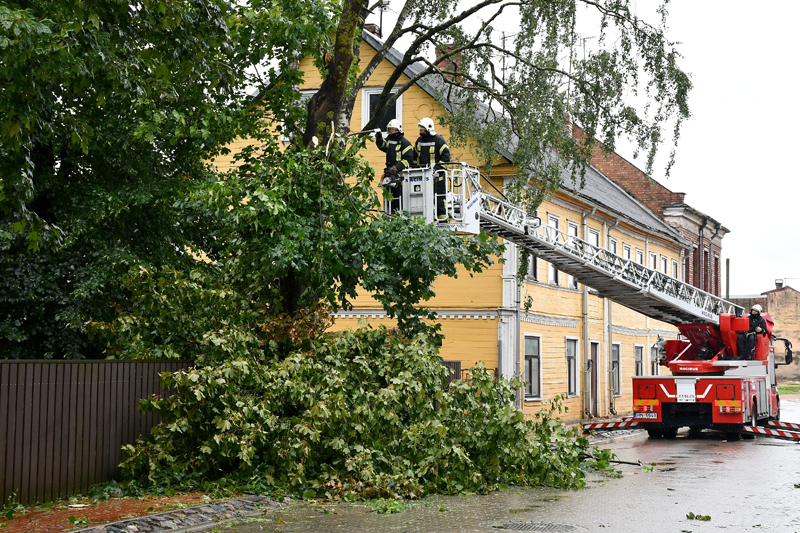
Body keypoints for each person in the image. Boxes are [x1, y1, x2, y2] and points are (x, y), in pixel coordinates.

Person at [414, 117, 451, 220]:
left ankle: (443, 221)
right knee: (424, 201)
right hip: (424, 179)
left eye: (422, 128)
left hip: (437, 178)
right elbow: (415, 157)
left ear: (428, 128)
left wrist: (437, 169)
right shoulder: (419, 141)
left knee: (439, 201)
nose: (420, 130)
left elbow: (446, 158)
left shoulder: (439, 140)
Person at [375, 119, 414, 213]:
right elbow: (383, 146)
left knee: (398, 198)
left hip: (400, 177)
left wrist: (396, 167)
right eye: (389, 129)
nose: (390, 131)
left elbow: (408, 160)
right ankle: (391, 214)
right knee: (389, 197)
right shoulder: (389, 139)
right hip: (390, 174)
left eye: (392, 129)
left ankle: (397, 215)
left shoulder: (405, 143)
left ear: (397, 129)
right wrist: (379, 139)